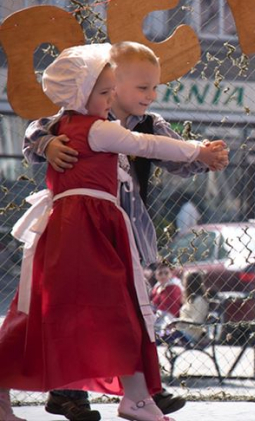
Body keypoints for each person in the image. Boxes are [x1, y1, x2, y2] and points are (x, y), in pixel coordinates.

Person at [0, 44, 226, 421]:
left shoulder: (139, 122)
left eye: (154, 88)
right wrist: (198, 150)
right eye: (139, 88)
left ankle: (140, 392)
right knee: (93, 311)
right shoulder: (84, 125)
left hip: (114, 232)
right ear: (108, 84)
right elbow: (37, 134)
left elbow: (161, 148)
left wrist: (201, 158)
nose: (150, 96)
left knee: (118, 310)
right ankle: (105, 392)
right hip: (82, 232)